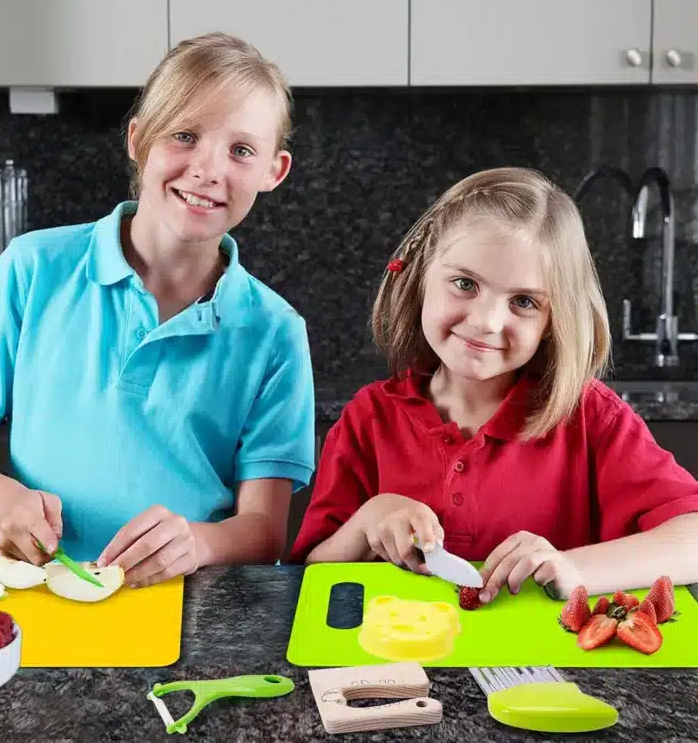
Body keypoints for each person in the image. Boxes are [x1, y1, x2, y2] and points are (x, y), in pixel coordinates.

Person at [0, 32, 316, 588]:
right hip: (43, 593)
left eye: (241, 150)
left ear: (273, 171)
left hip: (192, 608)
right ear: (138, 140)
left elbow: (263, 530)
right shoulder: (32, 269)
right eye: (184, 135)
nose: (208, 169)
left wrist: (197, 542)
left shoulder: (275, 333)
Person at [290, 167, 698, 601]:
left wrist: (573, 567)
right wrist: (367, 522)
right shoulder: (368, 418)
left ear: (552, 321)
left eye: (523, 302)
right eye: (465, 284)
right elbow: (312, 574)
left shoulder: (591, 418)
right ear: (420, 276)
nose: (486, 322)